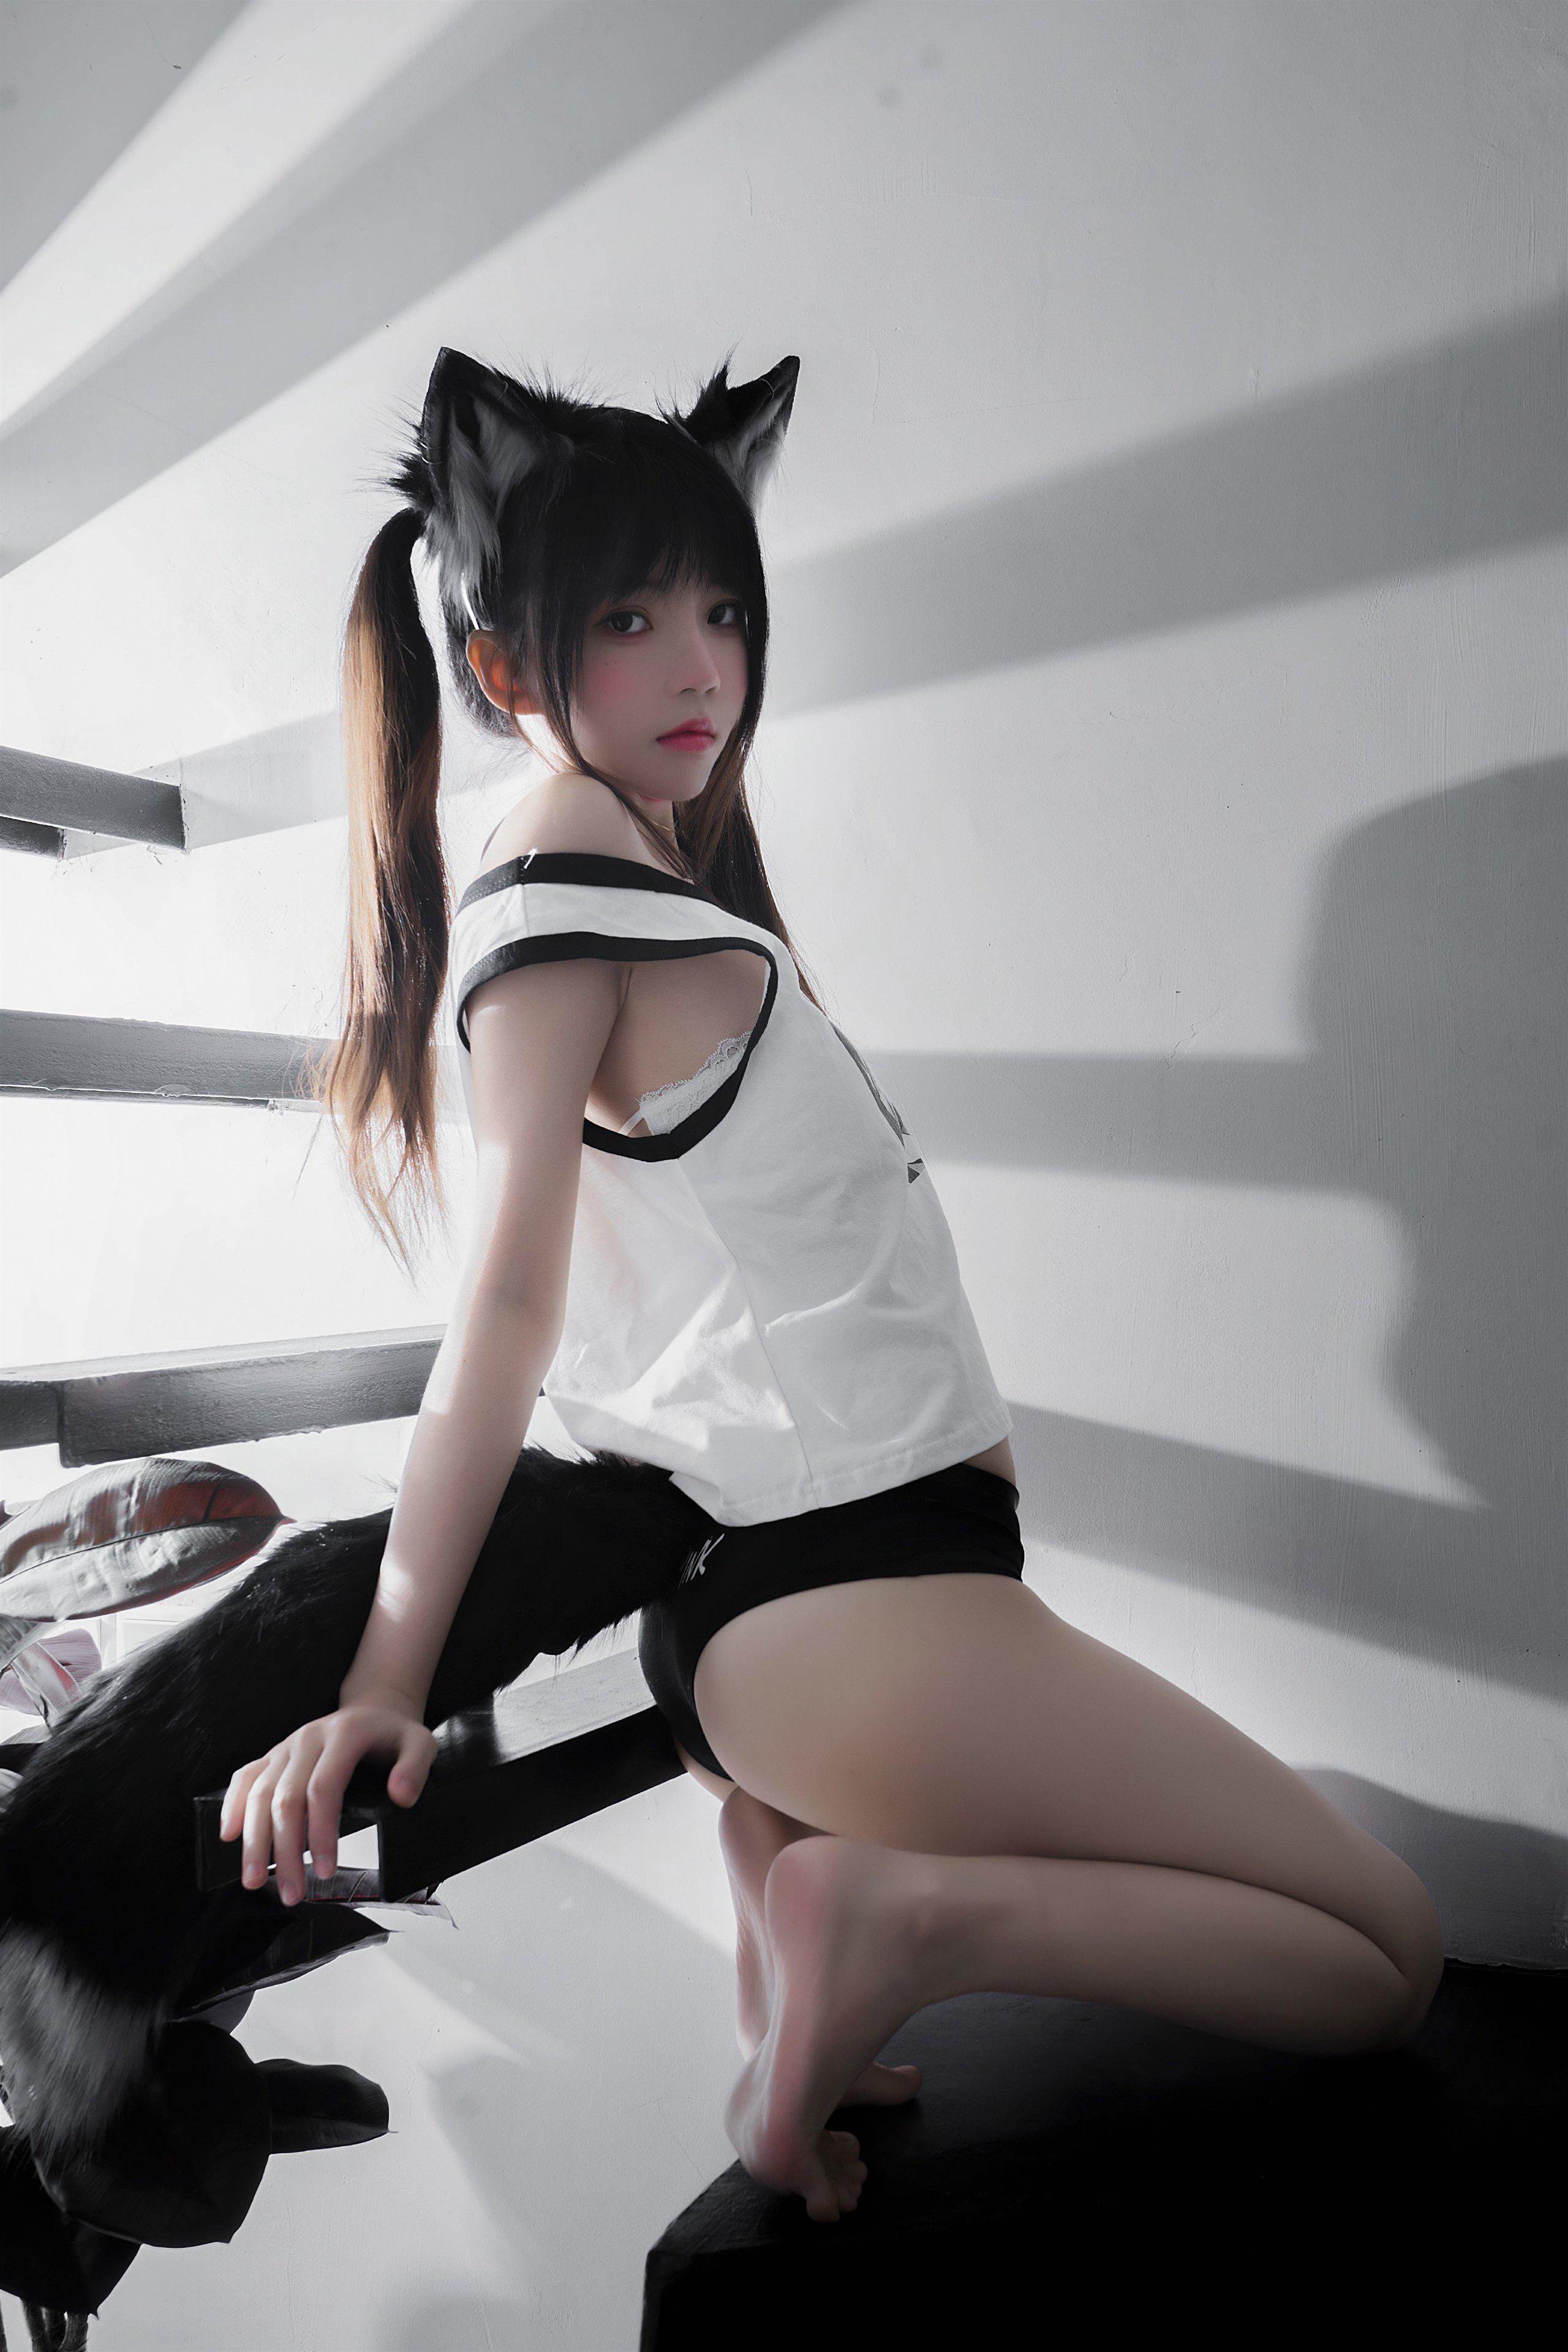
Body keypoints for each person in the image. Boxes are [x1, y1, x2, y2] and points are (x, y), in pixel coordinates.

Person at [220, 346, 1445, 2226]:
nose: (701, 666)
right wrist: (388, 1678)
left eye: (723, 611)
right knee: (1381, 1958)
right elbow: (507, 1318)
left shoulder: (644, 896)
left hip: (829, 1620)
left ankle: (800, 1915)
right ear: (504, 667)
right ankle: (892, 1918)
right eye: (629, 618)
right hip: (851, 1609)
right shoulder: (562, 895)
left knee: (1355, 1943)